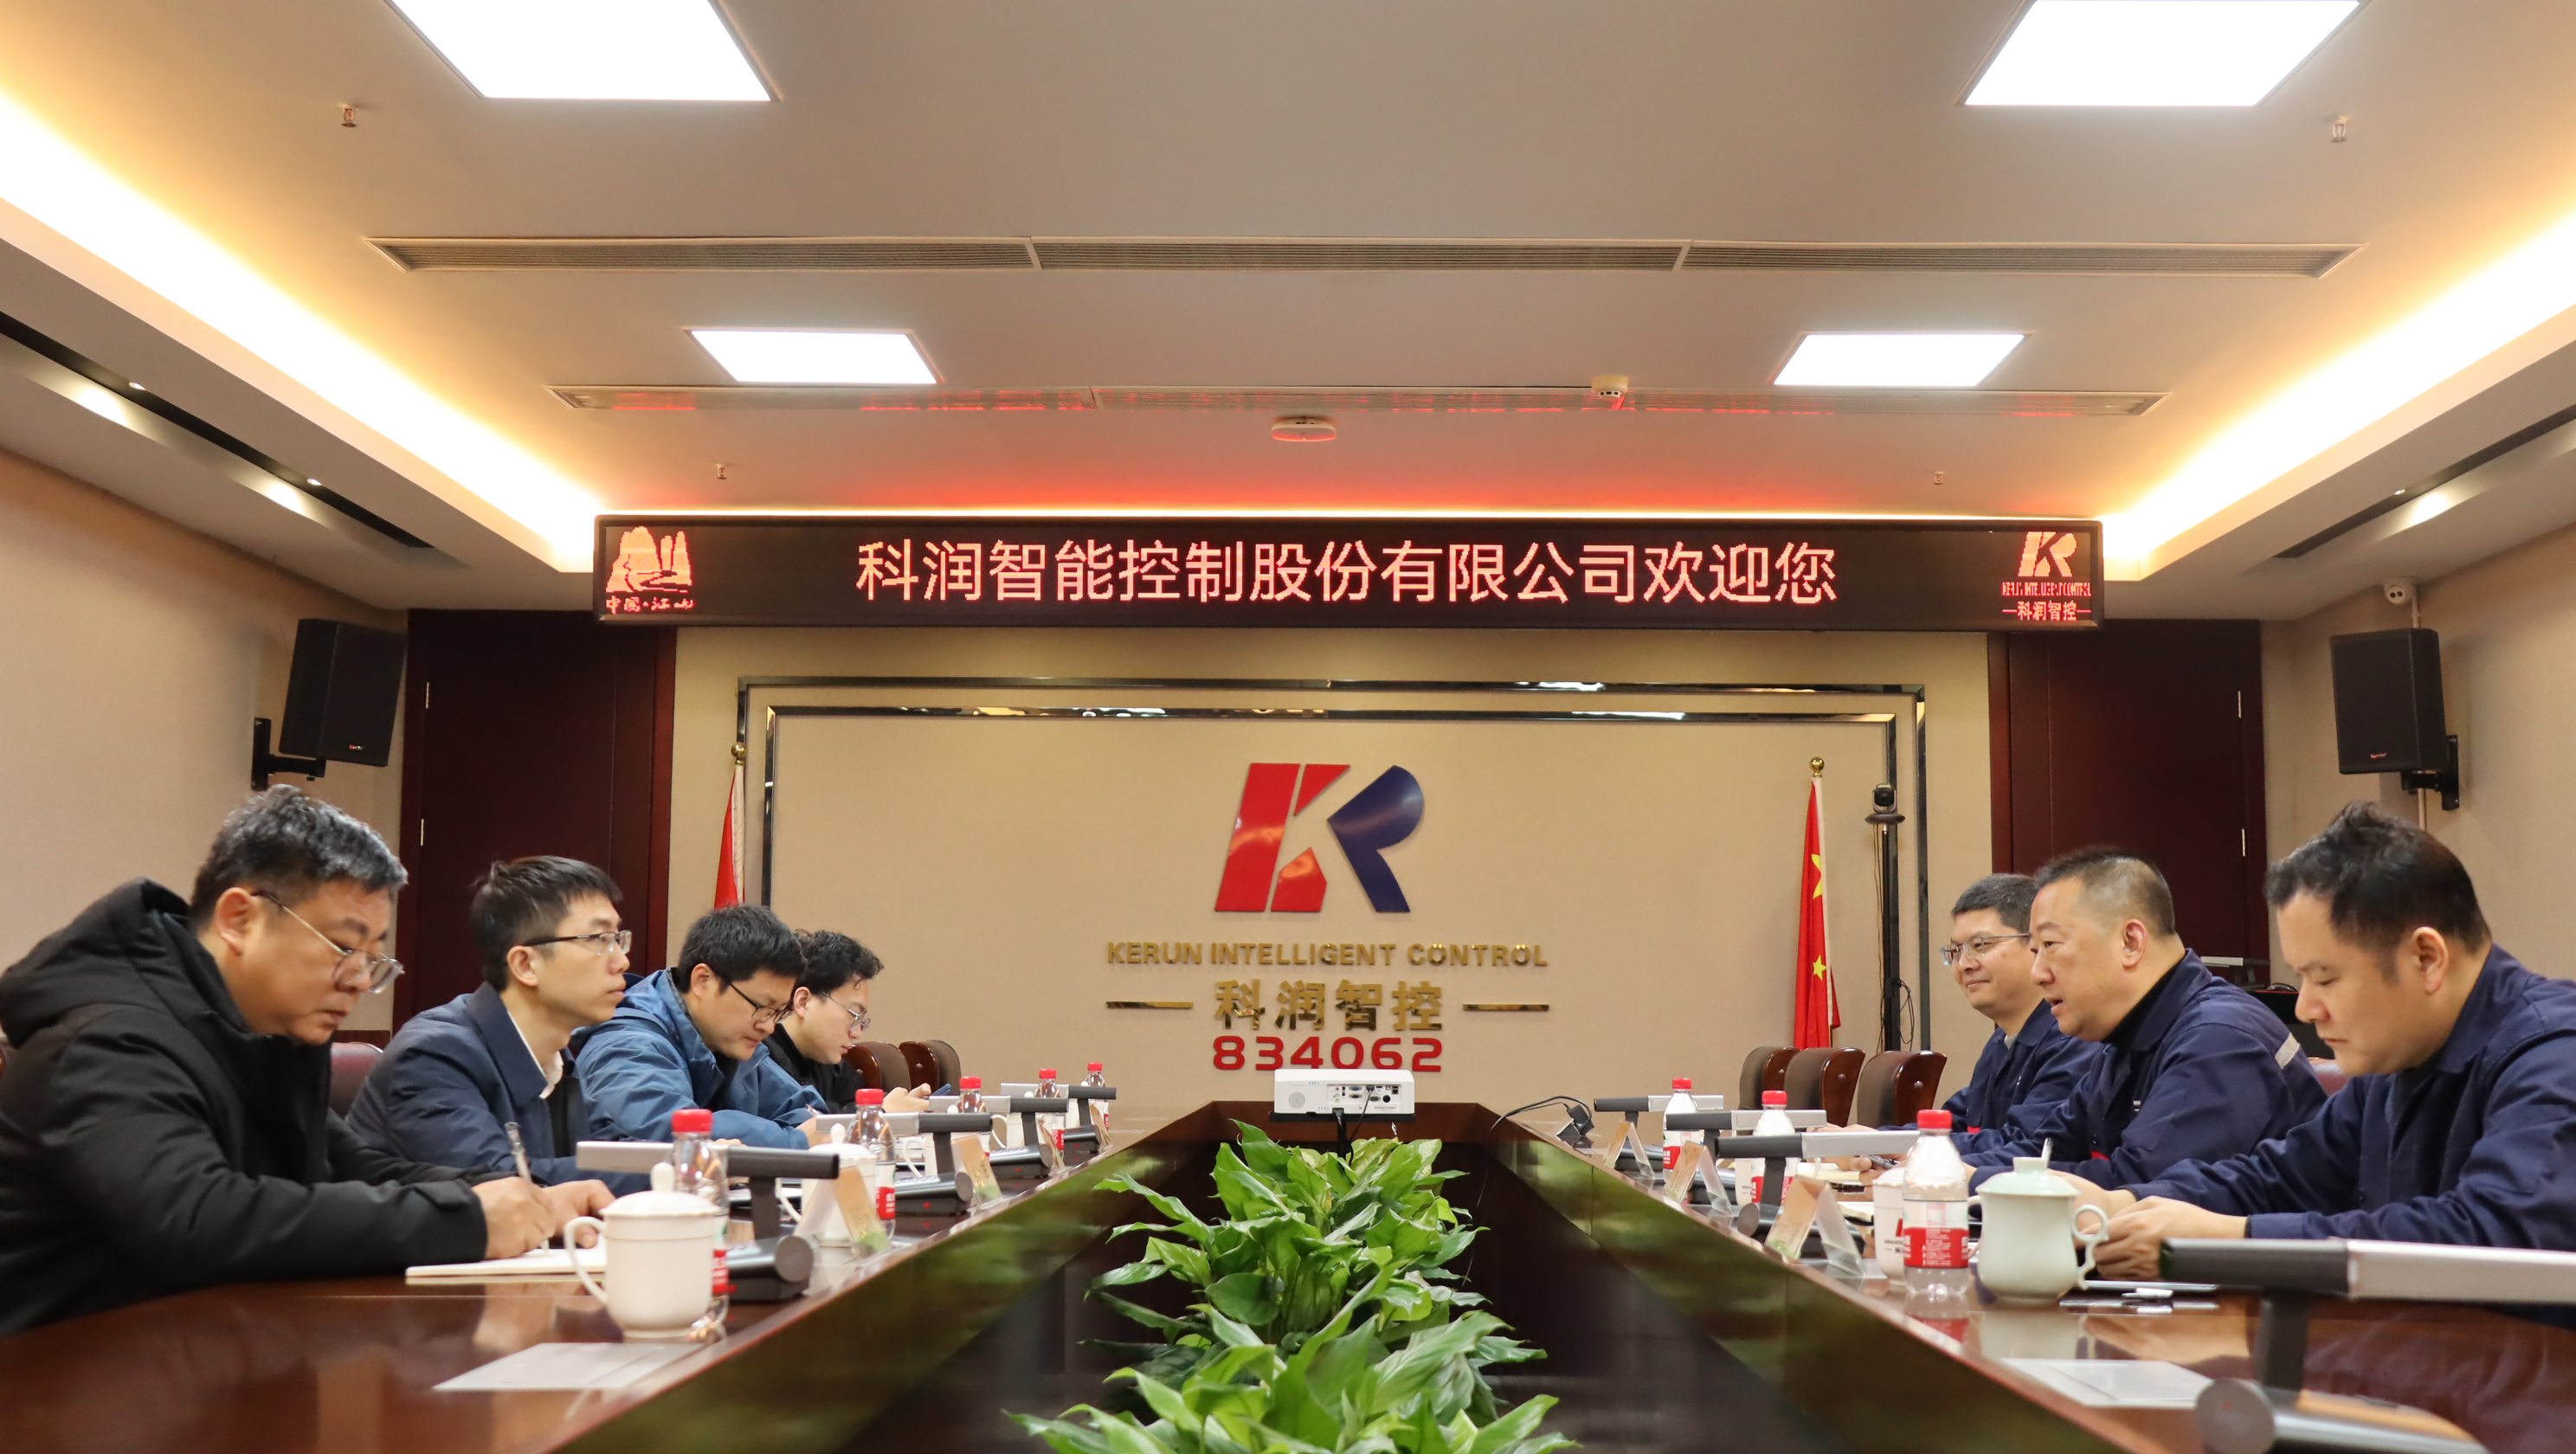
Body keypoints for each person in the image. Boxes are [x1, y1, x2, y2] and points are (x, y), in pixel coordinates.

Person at [0, 788, 608, 1335]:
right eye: (343, 947)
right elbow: (198, 1219)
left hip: (206, 1354)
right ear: (240, 919)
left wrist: (526, 1199)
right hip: (60, 1379)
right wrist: (467, 1220)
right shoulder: (106, 1041)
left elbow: (348, 1167)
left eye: (372, 958)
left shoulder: (262, 1033)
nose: (358, 980)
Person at [2074, 803, 2576, 1278]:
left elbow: (2494, 1237)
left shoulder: (2554, 1054)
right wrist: (2124, 1203)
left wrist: (2235, 1239)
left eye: (2325, 978)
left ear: (2426, 958)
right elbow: (2283, 1178)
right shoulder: (2395, 1059)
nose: (2305, 1008)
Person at [1957, 846, 2326, 1187]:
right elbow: (2046, 1149)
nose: (2038, 973)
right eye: (2035, 951)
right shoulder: (2124, 1037)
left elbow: (2142, 1187)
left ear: (2130, 942)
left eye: (2050, 945)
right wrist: (1953, 1173)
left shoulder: (2218, 1039)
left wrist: (1973, 1180)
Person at [348, 857, 639, 1187]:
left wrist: (679, 1163)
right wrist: (662, 1173)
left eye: (618, 938)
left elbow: (618, 1155)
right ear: (526, 964)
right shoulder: (434, 1055)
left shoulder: (555, 1059)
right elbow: (501, 1185)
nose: (622, 961)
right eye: (600, 939)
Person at [578, 904, 828, 1148]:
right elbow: (672, 1137)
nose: (769, 1027)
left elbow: (809, 1114)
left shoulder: (730, 1040)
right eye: (762, 1007)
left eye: (777, 1012)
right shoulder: (626, 1044)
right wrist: (792, 1141)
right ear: (703, 980)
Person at [1935, 873, 2102, 1141]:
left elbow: (2029, 1146)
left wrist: (1915, 1152)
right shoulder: (2000, 1042)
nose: (1964, 964)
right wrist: (1874, 1141)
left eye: (1979, 945)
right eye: (1956, 951)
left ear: (2035, 944)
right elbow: (1955, 1123)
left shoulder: (2072, 1038)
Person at [763, 930, 919, 1114]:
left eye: (861, 1020)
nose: (857, 1033)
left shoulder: (828, 1063)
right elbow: (800, 1121)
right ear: (803, 1002)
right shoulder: (762, 1061)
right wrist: (880, 1111)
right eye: (853, 1015)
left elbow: (857, 1103)